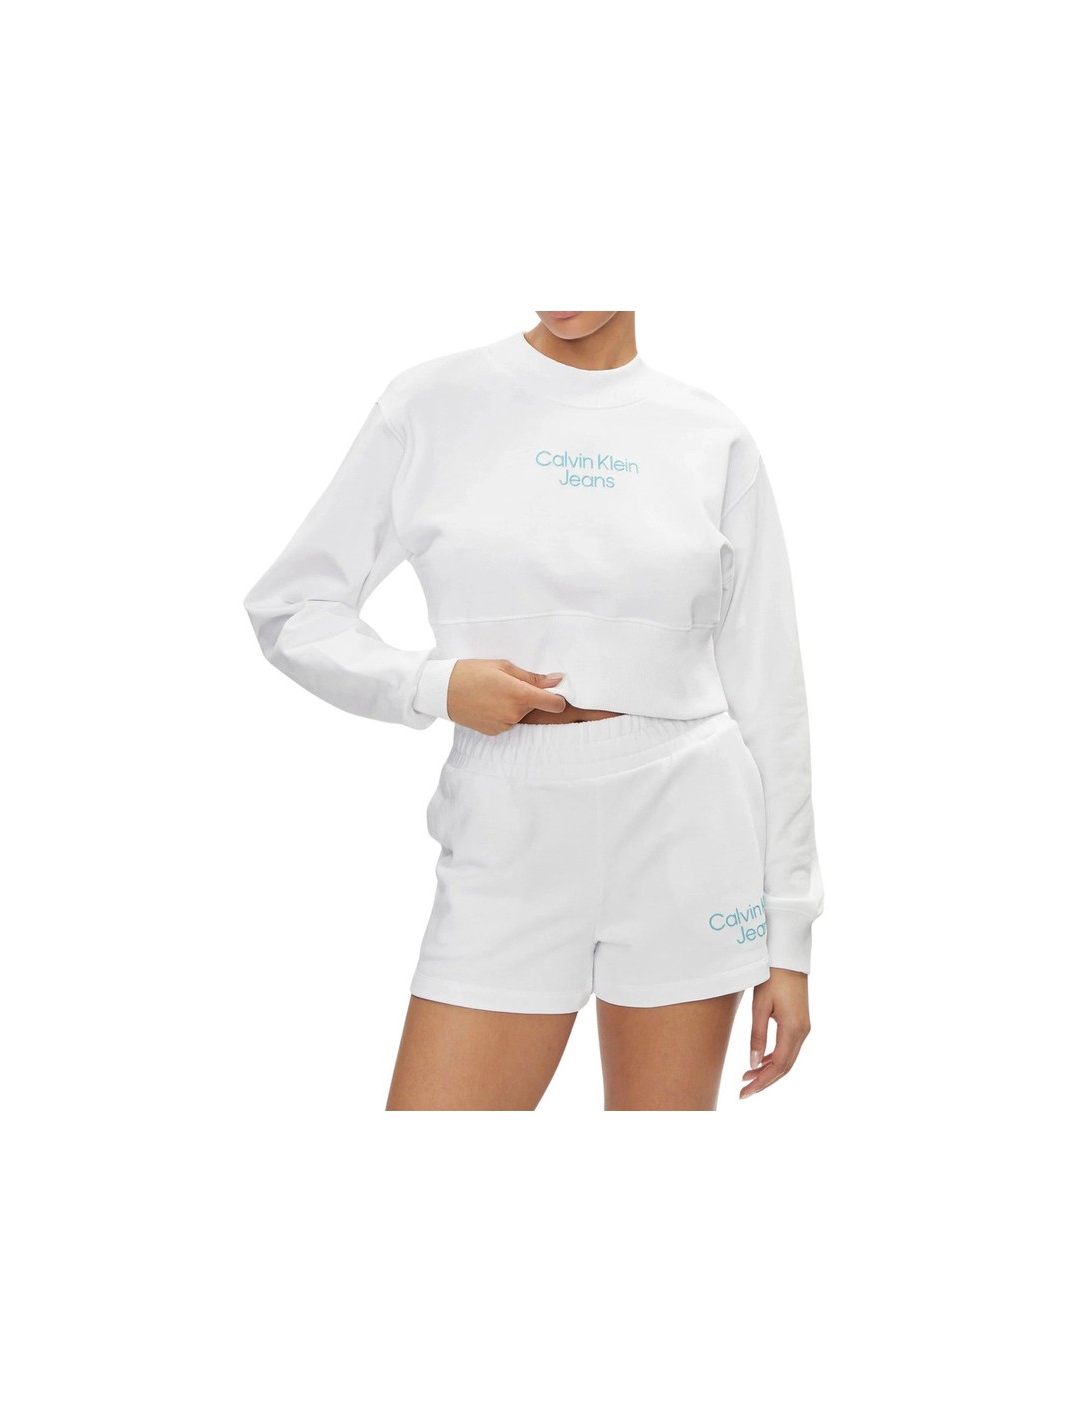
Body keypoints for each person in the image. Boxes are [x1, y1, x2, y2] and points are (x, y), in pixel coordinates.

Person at [244, 311, 824, 1111]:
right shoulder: (430, 406)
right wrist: (435, 684)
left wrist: (789, 936)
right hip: (505, 830)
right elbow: (291, 608)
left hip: (686, 826)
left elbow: (771, 693)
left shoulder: (710, 435)